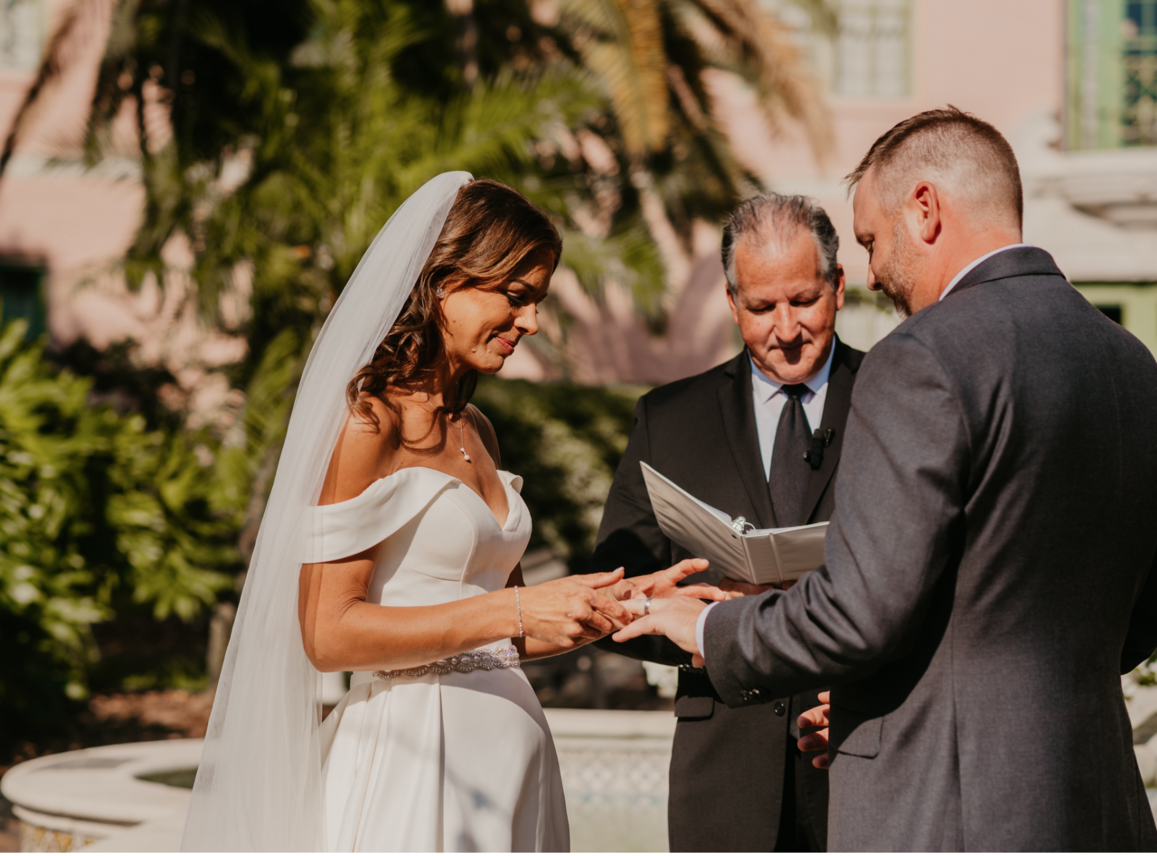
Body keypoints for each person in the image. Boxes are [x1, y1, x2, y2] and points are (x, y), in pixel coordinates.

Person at [615, 107, 1157, 850]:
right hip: (1099, 806)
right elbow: (1139, 614)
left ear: (925, 210)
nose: (872, 273)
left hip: (950, 807)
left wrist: (708, 624)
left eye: (871, 240)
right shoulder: (1131, 361)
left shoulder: (921, 356)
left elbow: (860, 612)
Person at [180, 174, 717, 851]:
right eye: (516, 297)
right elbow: (326, 632)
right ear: (442, 282)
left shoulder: (478, 429)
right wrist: (516, 611)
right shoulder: (366, 422)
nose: (532, 323)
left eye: (539, 301)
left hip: (510, 759)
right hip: (413, 760)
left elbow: (510, 633)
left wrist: (631, 603)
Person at [584, 193, 862, 851]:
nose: (786, 328)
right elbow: (605, 592)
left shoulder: (899, 400)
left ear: (839, 287)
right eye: (762, 308)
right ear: (733, 304)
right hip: (723, 777)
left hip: (858, 759)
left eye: (804, 301)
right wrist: (679, 614)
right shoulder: (668, 420)